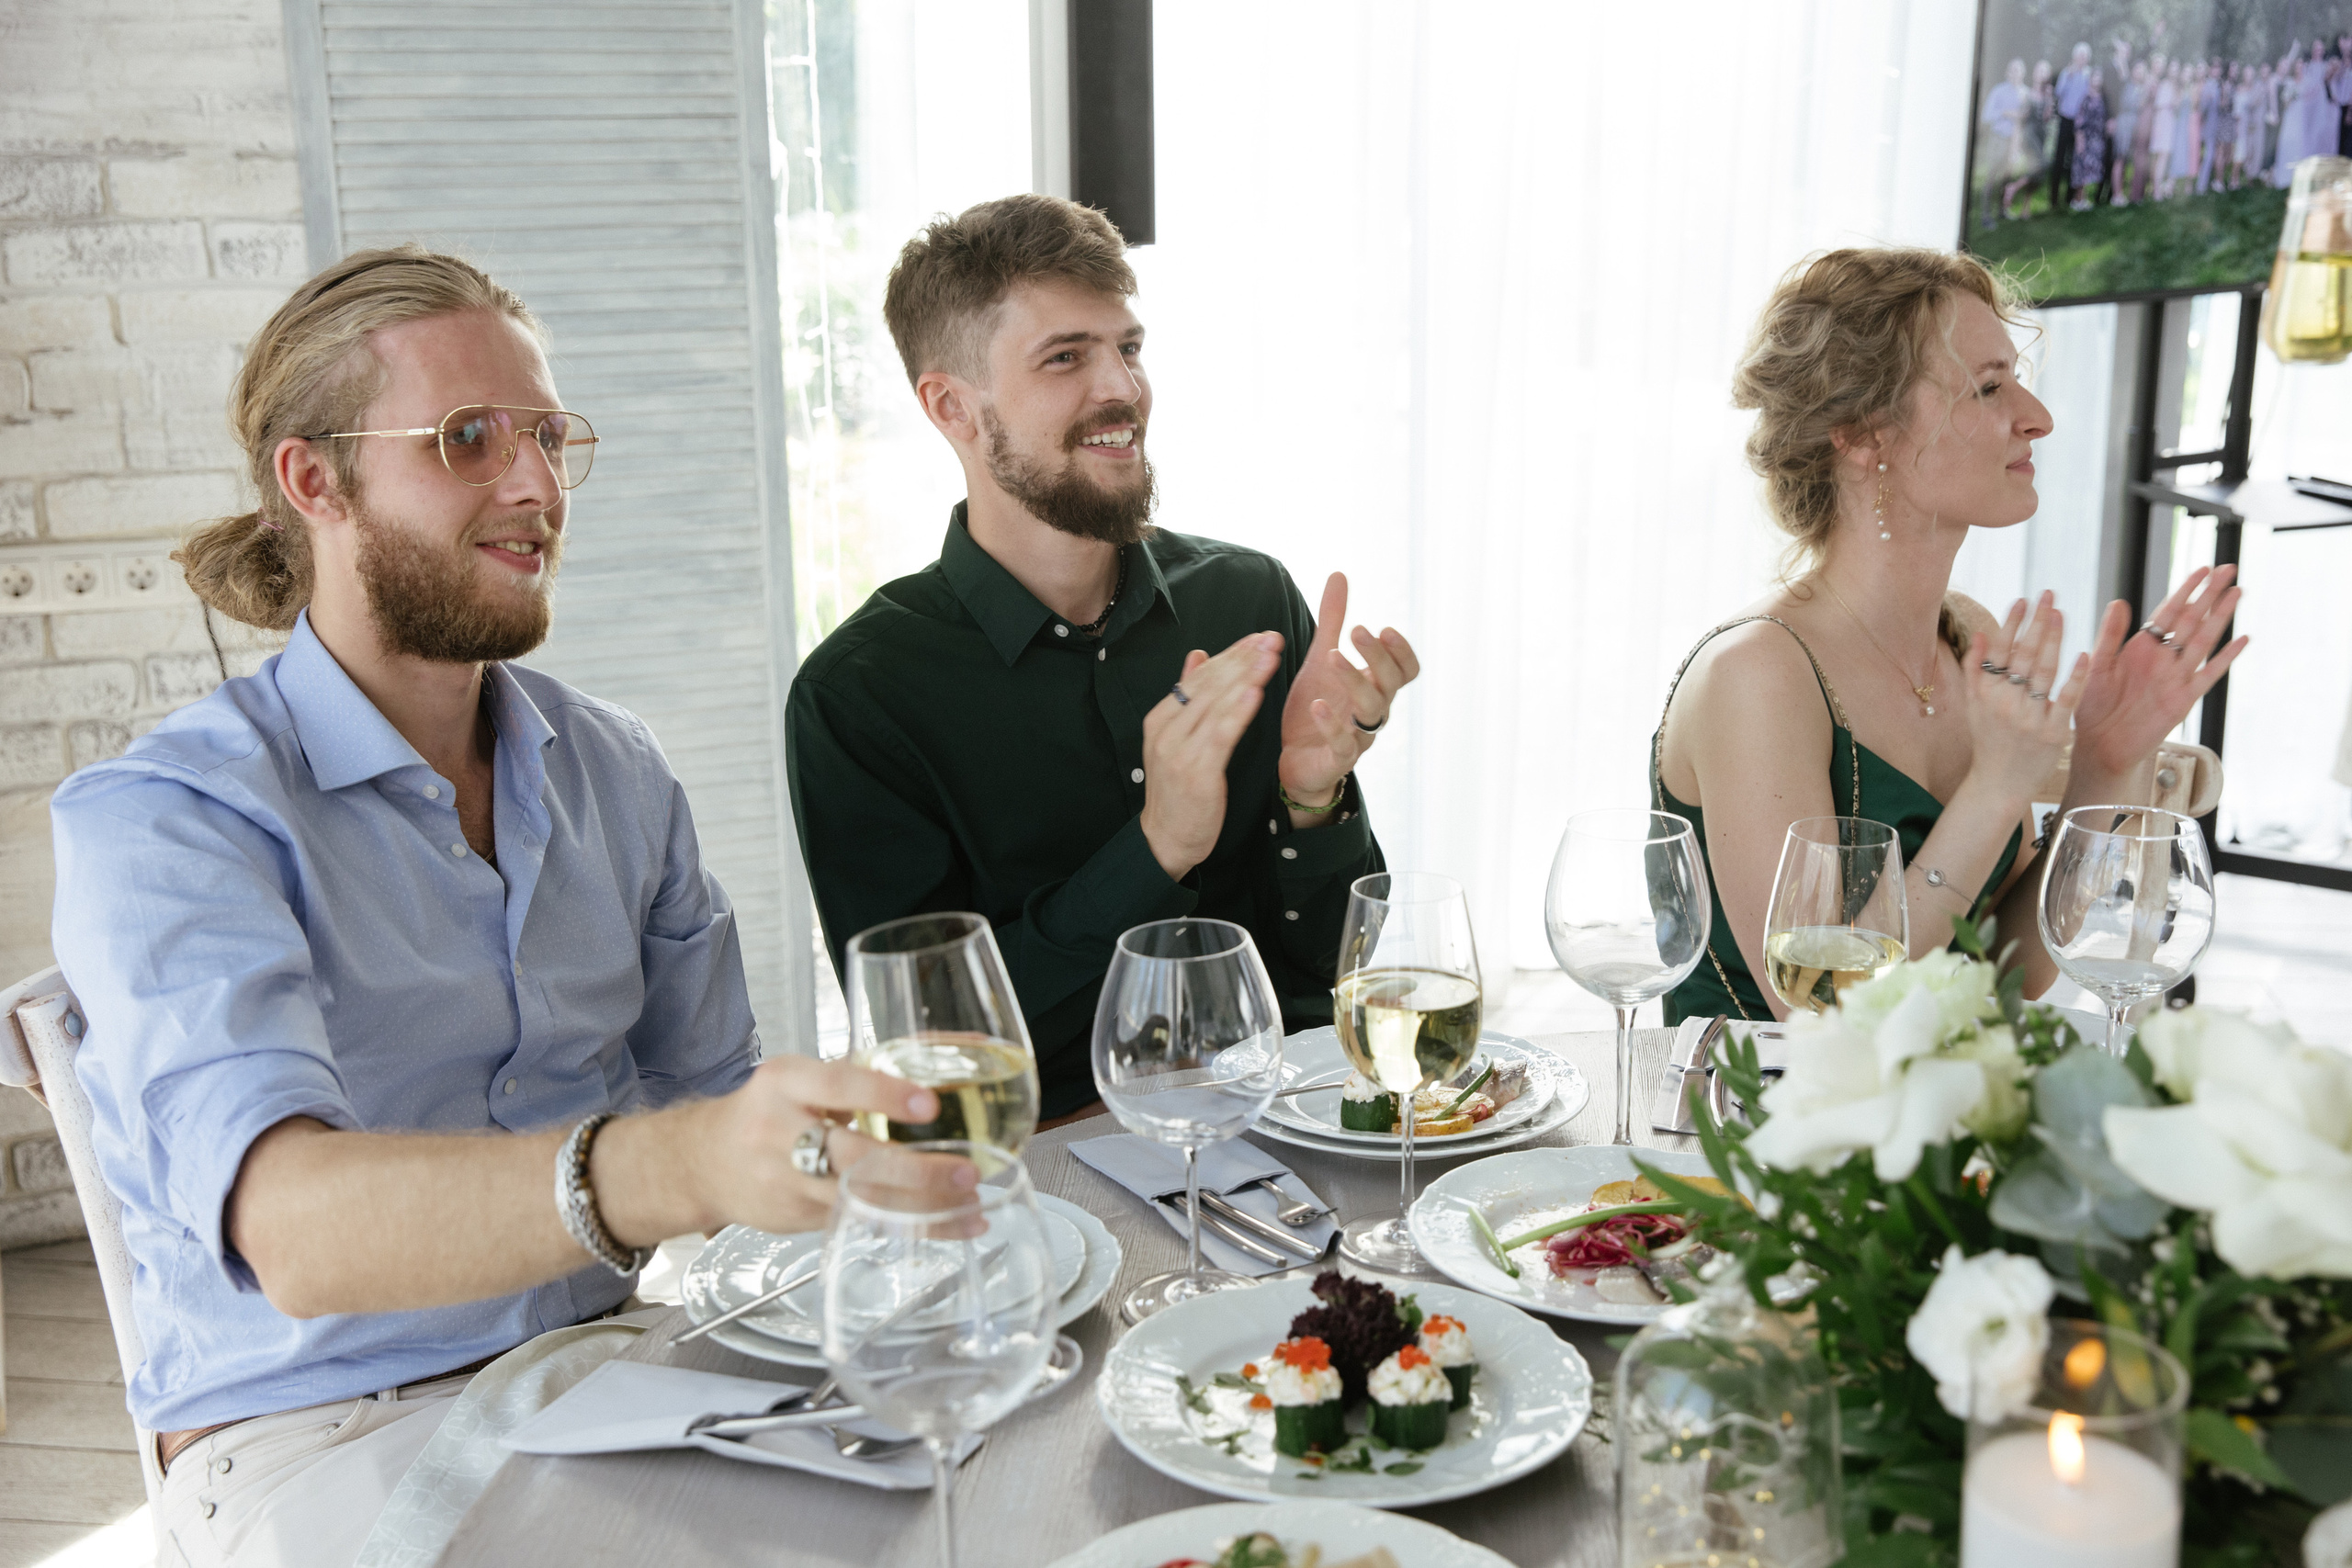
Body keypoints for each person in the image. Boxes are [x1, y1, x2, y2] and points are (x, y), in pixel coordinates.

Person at [47, 247, 964, 1568]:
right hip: (317, 1426)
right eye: (467, 438)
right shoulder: (168, 817)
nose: (534, 485)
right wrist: (683, 1162)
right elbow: (292, 1228)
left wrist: (836, 1186)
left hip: (609, 1365)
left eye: (545, 435)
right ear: (316, 482)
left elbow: (709, 1101)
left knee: (961, 1478)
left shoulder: (618, 770)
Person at [785, 195, 1420, 1121]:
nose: (1120, 387)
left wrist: (1310, 796)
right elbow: (930, 1056)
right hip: (1042, 1175)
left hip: (1289, 1125)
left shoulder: (1248, 604)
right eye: (1065, 357)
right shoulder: (861, 698)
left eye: (1127, 347)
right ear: (952, 407)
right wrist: (1157, 848)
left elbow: (1330, 971)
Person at [1651, 248, 2247, 1024]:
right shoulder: (1757, 674)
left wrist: (2104, 765)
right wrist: (1996, 788)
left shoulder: (1969, 640)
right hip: (1749, 1127)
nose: (2038, 416)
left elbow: (2011, 971)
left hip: (1934, 1119)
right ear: (1865, 434)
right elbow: (1822, 1013)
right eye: (1990, 387)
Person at [1979, 60, 2030, 227]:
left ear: (2023, 73)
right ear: (2007, 73)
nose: (2015, 74)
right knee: (1991, 177)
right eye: (2012, 70)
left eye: (2018, 70)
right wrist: (2005, 113)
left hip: (2015, 142)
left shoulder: (2026, 93)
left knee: (2007, 178)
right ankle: (1986, 216)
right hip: (1998, 139)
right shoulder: (1999, 91)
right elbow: (1986, 116)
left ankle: (2002, 211)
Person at [2051, 43, 2094, 210]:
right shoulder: (2066, 72)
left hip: (2080, 123)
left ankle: (2070, 198)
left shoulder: (2088, 74)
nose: (2082, 59)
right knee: (2059, 159)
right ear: (2074, 57)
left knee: (2075, 161)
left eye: (2085, 56)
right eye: (2080, 55)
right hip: (2065, 120)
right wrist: (2068, 77)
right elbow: (2058, 93)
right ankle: (2053, 200)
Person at [2072, 70, 2109, 209]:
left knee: (2091, 169)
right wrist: (2079, 139)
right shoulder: (2085, 98)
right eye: (2095, 77)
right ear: (2090, 80)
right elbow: (2079, 121)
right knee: (2081, 168)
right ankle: (2077, 200)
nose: (2097, 80)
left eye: (2100, 78)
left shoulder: (2103, 98)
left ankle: (2085, 199)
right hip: (2085, 138)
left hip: (2098, 139)